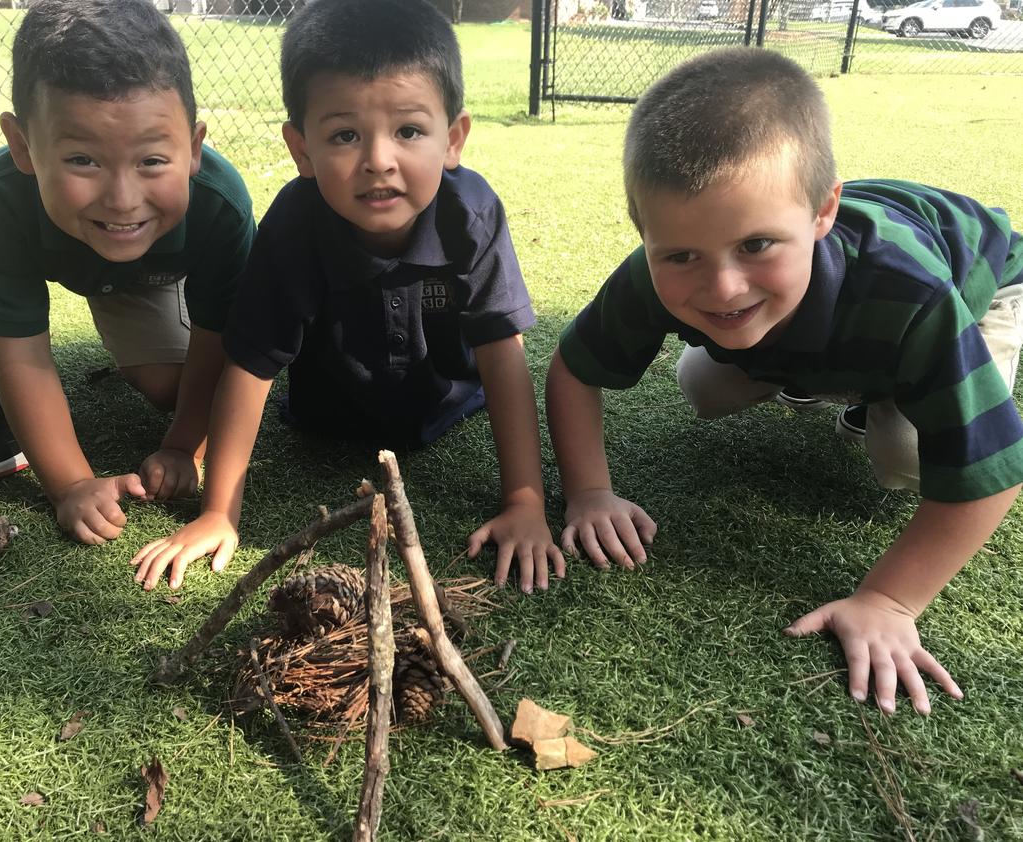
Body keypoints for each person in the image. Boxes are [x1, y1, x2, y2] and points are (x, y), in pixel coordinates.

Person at [545, 47, 1023, 715]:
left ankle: (881, 391)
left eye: (756, 244)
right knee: (703, 388)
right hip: (837, 316)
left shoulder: (910, 293)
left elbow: (992, 473)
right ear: (644, 233)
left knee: (905, 454)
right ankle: (825, 372)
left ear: (823, 211)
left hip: (982, 284)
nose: (721, 285)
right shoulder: (653, 272)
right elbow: (573, 369)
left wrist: (888, 600)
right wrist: (589, 492)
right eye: (681, 255)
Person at [131, 0, 561, 594]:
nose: (378, 161)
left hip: (451, 407)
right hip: (322, 421)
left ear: (454, 137)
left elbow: (501, 350)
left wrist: (524, 502)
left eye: (409, 130)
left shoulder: (472, 213)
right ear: (301, 149)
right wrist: (219, 512)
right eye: (344, 135)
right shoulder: (292, 225)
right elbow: (251, 365)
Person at [0, 0, 255, 544]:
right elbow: (21, 350)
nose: (121, 197)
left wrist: (184, 443)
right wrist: (69, 484)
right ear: (22, 145)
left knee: (171, 390)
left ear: (194, 147)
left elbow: (222, 338)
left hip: (141, 274)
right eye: (83, 160)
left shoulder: (219, 205)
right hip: (14, 208)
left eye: (153, 160)